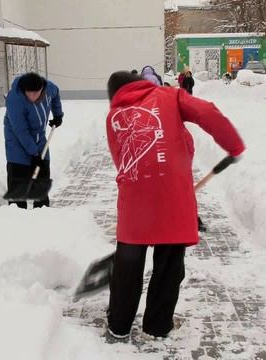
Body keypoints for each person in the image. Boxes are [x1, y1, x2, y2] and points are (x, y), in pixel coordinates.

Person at [104, 71, 245, 340]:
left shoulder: (114, 116)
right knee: (169, 263)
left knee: (128, 264)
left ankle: (119, 325)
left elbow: (120, 159)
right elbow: (208, 112)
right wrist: (234, 145)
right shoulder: (170, 95)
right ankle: (157, 326)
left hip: (135, 196)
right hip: (172, 194)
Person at [4, 72, 63, 209]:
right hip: (16, 140)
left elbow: (56, 95)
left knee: (42, 171)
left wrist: (58, 115)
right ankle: (17, 212)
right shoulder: (15, 99)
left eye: (35, 93)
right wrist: (34, 154)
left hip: (39, 136)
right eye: (28, 93)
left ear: (42, 89)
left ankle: (41, 209)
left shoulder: (49, 88)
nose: (31, 96)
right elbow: (21, 131)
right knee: (19, 173)